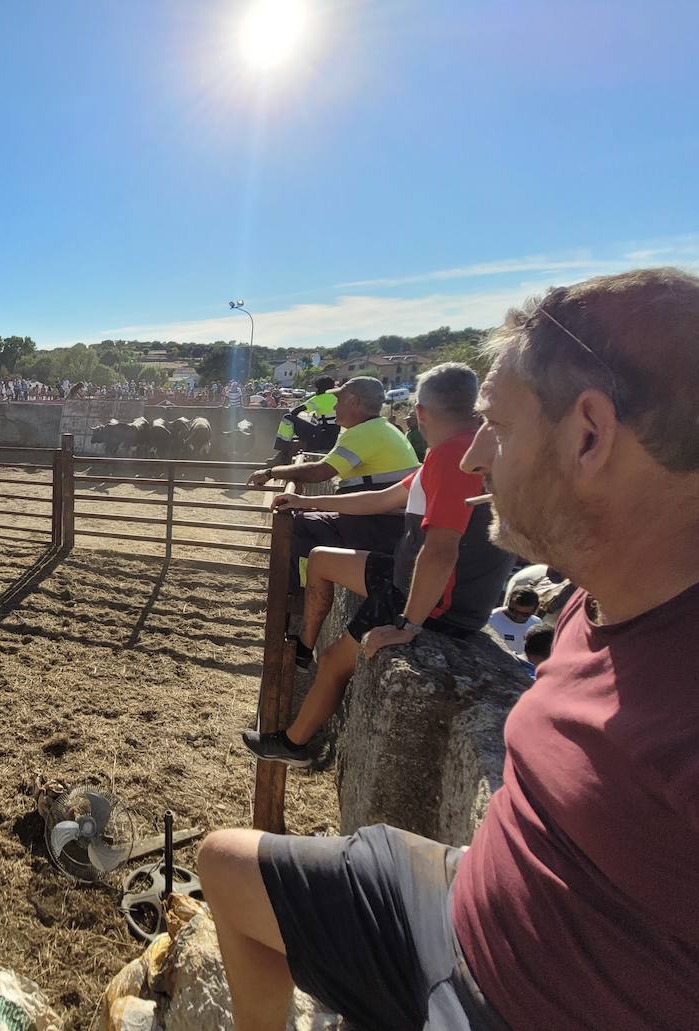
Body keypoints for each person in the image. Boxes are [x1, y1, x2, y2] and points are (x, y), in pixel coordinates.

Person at [200, 268, 699, 1030]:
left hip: (500, 998)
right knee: (226, 863)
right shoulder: (595, 603)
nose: (473, 458)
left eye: (496, 424)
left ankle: (297, 732)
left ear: (588, 435)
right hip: (467, 898)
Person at [243, 362, 511, 764]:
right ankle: (304, 643)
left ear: (419, 412)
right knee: (320, 560)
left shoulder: (455, 456)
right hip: (416, 579)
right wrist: (306, 500)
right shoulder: (455, 450)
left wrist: (409, 624)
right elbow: (382, 499)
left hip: (431, 600)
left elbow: (441, 549)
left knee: (336, 661)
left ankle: (295, 745)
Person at [248, 376, 421, 589]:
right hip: (391, 522)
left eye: (339, 400)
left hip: (380, 524)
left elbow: (319, 472)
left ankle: (299, 589)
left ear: (354, 402)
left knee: (299, 525)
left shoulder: (363, 433)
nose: (335, 406)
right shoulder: (385, 428)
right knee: (308, 519)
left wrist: (271, 472)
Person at [272, 377, 339, 459]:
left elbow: (295, 412)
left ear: (319, 388)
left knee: (288, 418)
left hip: (321, 438)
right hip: (332, 439)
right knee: (314, 420)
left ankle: (282, 448)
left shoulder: (319, 399)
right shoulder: (337, 399)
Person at [486, 588, 543, 657]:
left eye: (525, 614)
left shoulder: (536, 623)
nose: (518, 616)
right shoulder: (491, 619)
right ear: (508, 602)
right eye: (513, 611)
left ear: (535, 610)